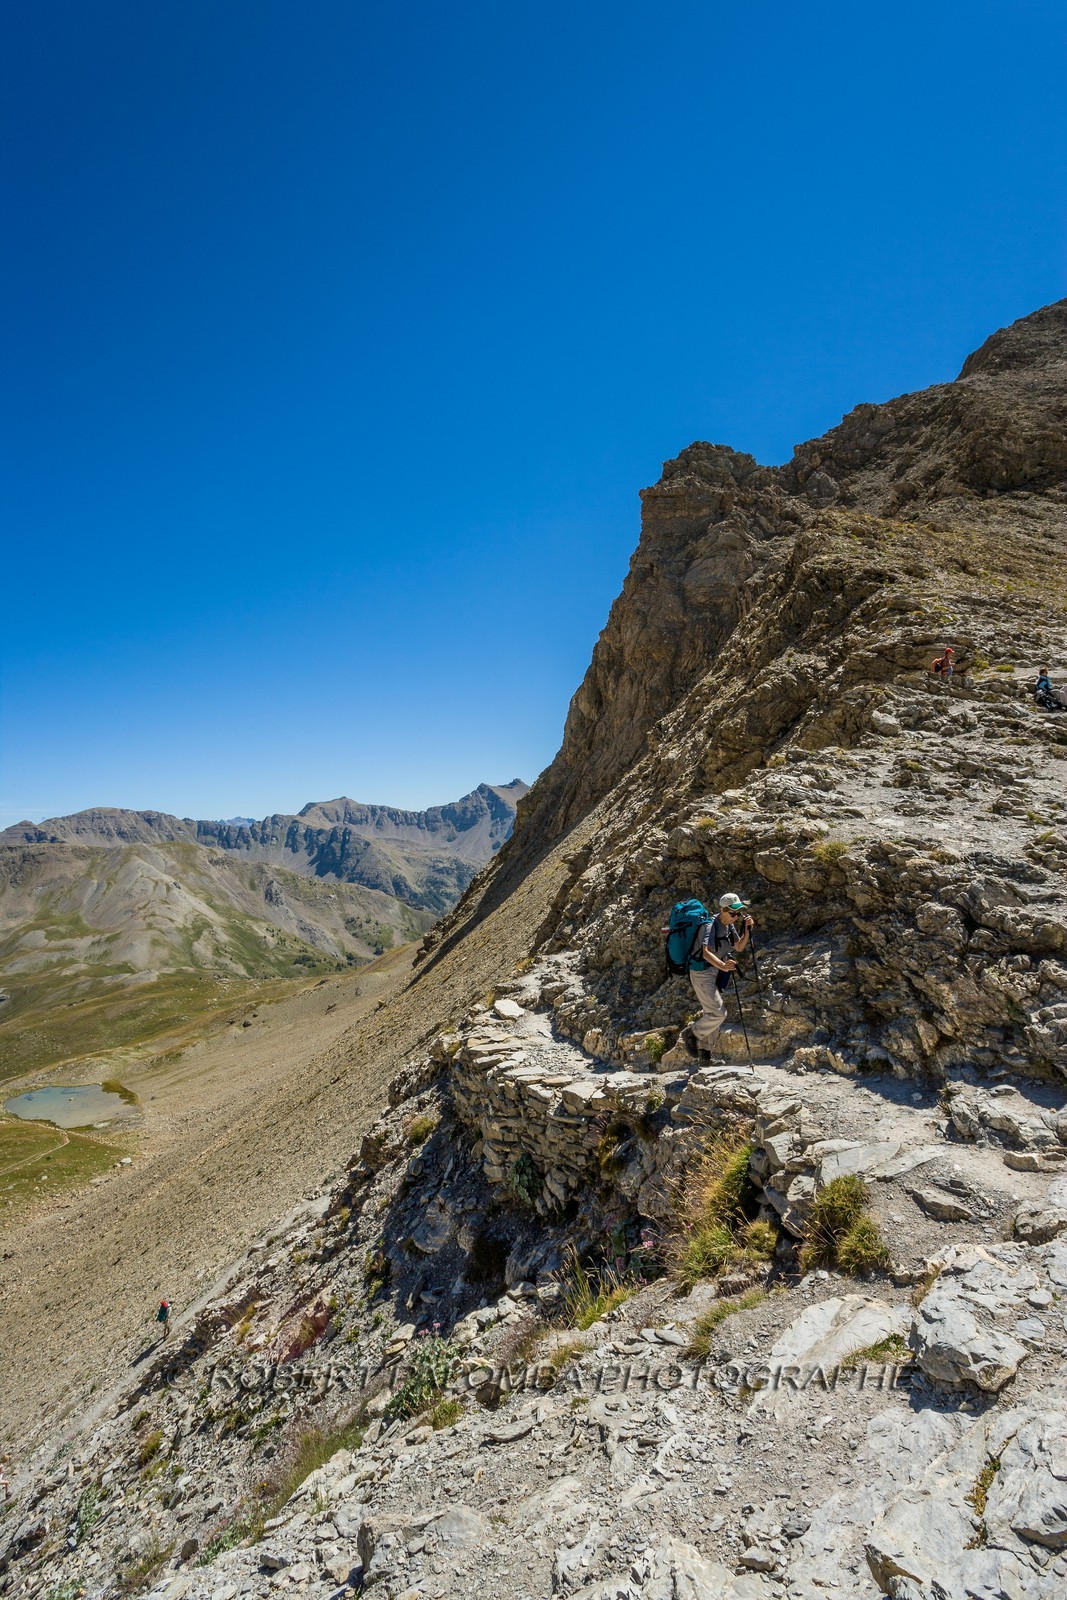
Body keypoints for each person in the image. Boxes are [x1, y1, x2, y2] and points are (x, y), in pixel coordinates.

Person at [681, 892, 753, 1061]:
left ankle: (705, 1055)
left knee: (711, 1012)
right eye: (732, 913)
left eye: (738, 913)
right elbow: (706, 953)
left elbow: (739, 946)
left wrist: (747, 930)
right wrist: (723, 965)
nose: (735, 916)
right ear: (722, 909)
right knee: (718, 1013)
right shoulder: (710, 925)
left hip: (715, 972)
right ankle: (690, 1034)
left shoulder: (729, 926)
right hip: (701, 973)